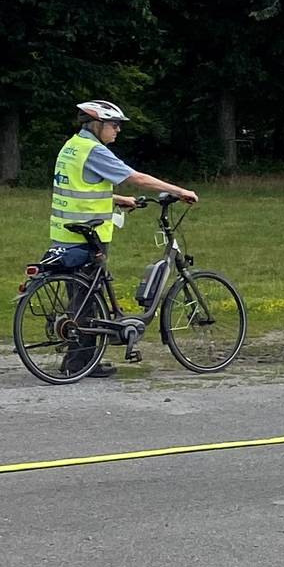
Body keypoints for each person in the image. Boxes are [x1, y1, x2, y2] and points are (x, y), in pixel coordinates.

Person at [49, 100, 199, 380]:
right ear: (97, 125)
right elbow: (136, 177)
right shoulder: (94, 150)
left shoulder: (72, 146)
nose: (118, 130)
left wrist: (117, 199)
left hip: (64, 233)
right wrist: (179, 191)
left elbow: (79, 187)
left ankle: (83, 360)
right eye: (114, 124)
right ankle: (77, 364)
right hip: (88, 235)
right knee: (87, 300)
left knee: (82, 297)